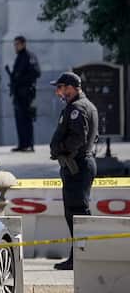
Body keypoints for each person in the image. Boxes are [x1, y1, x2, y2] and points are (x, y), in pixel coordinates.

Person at [48, 71, 100, 271]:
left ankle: (81, 257)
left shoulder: (77, 108)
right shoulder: (87, 106)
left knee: (77, 212)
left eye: (60, 88)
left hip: (76, 165)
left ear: (71, 88)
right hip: (79, 164)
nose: (58, 92)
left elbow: (78, 138)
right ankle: (78, 255)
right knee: (75, 212)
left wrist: (60, 149)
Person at [7, 35, 41, 152]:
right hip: (18, 93)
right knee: (19, 119)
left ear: (23, 44)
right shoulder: (19, 57)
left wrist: (21, 80)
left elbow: (36, 73)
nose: (15, 47)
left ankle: (29, 144)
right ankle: (22, 144)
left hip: (26, 93)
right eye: (14, 44)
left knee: (27, 119)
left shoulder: (29, 56)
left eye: (17, 44)